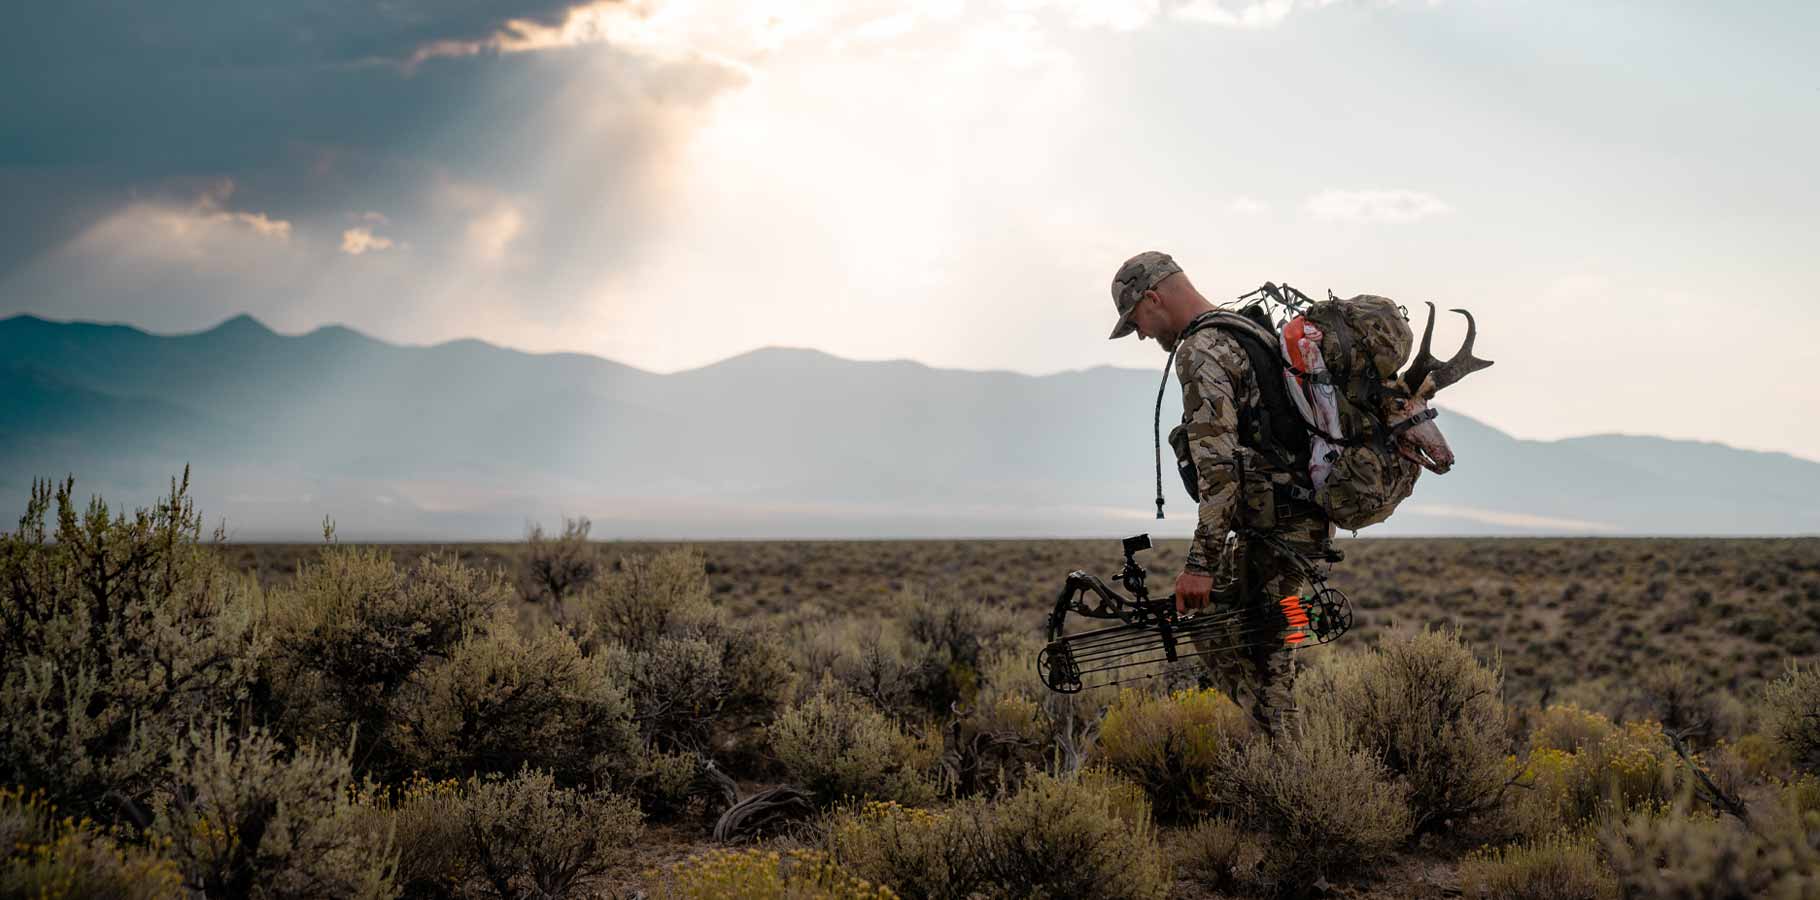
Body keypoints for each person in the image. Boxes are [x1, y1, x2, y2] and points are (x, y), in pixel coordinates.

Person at [1107, 250, 1335, 737]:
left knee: (1238, 641)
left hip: (1280, 531)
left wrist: (1199, 566)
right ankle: (1292, 764)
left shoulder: (1202, 349)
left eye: (1138, 320)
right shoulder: (1245, 329)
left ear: (1153, 298)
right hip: (1296, 524)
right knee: (1267, 648)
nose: (1143, 334)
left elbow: (1220, 471)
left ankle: (1293, 773)